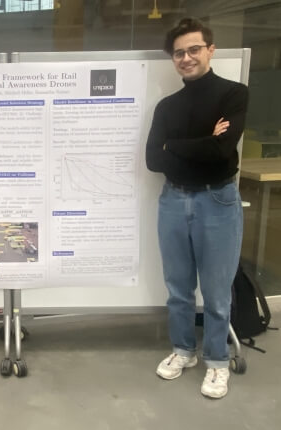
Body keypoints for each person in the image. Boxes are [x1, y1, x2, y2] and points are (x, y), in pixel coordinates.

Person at [145, 18, 248, 399]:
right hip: (173, 198)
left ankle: (218, 362)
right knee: (178, 287)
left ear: (210, 50)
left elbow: (222, 152)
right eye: (178, 53)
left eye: (193, 49)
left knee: (218, 291)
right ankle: (183, 350)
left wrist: (175, 146)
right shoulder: (167, 105)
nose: (186, 58)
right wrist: (201, 141)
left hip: (217, 199)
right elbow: (153, 160)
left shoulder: (234, 94)